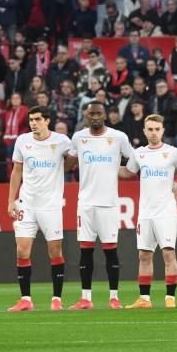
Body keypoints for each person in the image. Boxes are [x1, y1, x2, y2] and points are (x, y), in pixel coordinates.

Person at [67, 101, 134, 310]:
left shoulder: (118, 137)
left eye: (98, 113)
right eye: (91, 114)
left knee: (110, 251)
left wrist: (121, 172)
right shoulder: (78, 137)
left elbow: (133, 161)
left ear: (105, 115)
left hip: (109, 204)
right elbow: (68, 164)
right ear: (86, 116)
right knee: (85, 251)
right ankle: (85, 298)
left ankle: (114, 298)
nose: (95, 117)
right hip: (85, 203)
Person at [118, 114, 177, 309]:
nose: (154, 132)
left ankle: (170, 297)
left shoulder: (173, 152)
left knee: (168, 253)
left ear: (163, 130)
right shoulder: (139, 154)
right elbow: (127, 172)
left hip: (166, 210)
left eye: (157, 129)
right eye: (150, 129)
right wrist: (106, 166)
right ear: (144, 131)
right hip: (145, 212)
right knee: (144, 255)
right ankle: (144, 299)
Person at [6, 106, 72, 312]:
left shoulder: (62, 141)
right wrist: (11, 201)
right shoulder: (23, 141)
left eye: (37, 119)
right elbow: (17, 171)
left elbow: (71, 163)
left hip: (50, 205)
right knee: (22, 250)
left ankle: (56, 299)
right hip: (27, 202)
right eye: (31, 120)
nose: (33, 123)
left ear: (47, 121)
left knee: (55, 251)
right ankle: (26, 299)